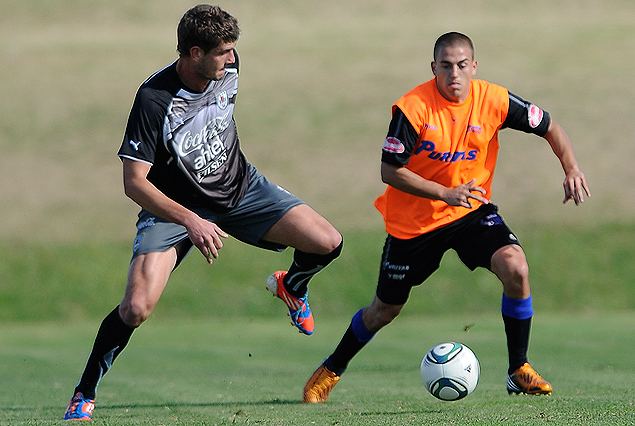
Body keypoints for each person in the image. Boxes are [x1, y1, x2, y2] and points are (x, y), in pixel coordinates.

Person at [63, 4, 342, 420]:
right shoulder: (154, 99)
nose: (232, 58)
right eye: (223, 51)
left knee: (327, 242)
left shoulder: (228, 67)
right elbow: (134, 183)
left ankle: (292, 286)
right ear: (194, 53)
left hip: (238, 187)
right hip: (176, 208)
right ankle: (84, 393)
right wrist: (191, 219)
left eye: (233, 49)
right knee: (136, 307)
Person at [302, 32, 590, 403]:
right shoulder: (413, 108)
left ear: (474, 66)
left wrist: (571, 168)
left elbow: (548, 126)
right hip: (414, 224)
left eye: (461, 65)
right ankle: (330, 370)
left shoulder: (495, 99)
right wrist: (444, 193)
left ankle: (519, 369)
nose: (454, 73)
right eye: (445, 66)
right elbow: (390, 171)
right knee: (384, 309)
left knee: (516, 268)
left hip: (470, 211)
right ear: (433, 68)